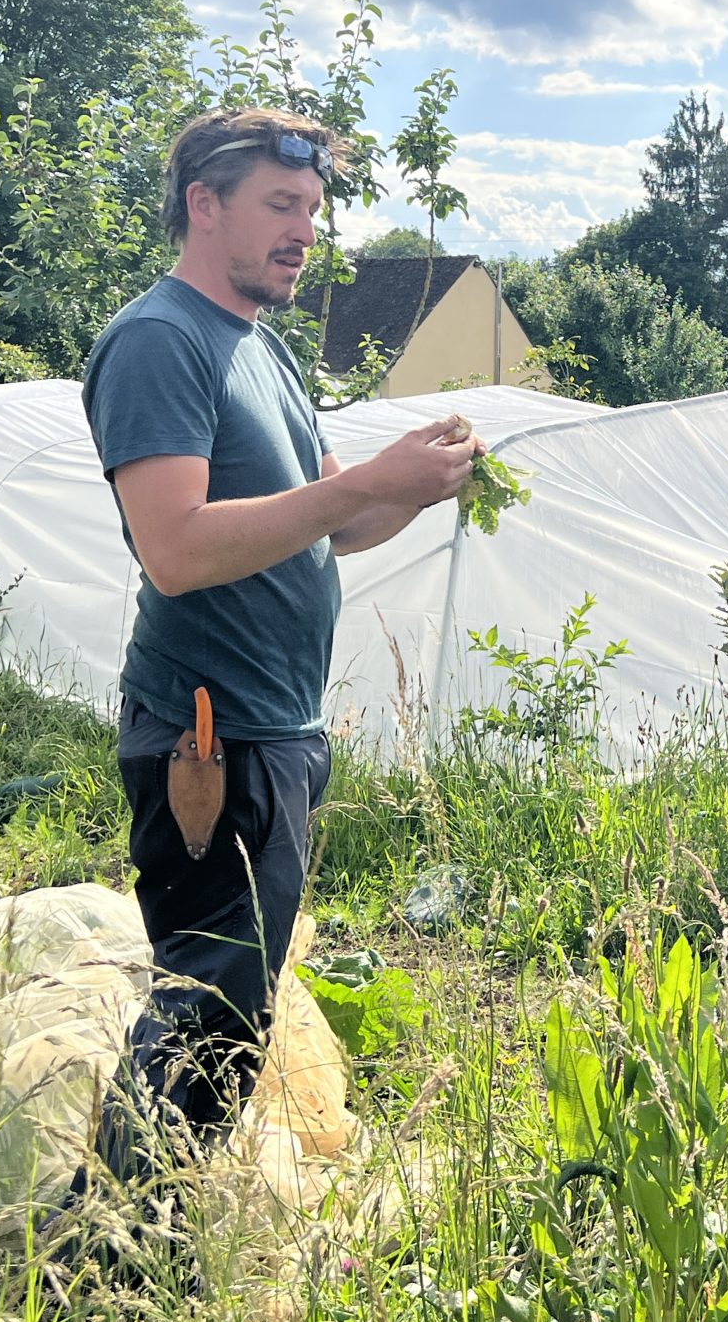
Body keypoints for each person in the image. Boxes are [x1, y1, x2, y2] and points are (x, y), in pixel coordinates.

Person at [74, 108, 483, 1199]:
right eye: (278, 206)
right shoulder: (160, 340)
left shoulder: (266, 349)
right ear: (204, 205)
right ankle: (92, 1275)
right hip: (213, 736)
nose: (304, 231)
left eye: (311, 211)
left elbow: (334, 524)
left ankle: (134, 1247)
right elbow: (173, 548)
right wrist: (361, 482)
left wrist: (411, 487)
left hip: (275, 728)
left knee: (227, 1007)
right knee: (207, 1014)